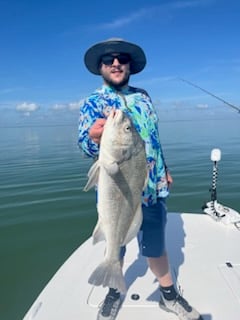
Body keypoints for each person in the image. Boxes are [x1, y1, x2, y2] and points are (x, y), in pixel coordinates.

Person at [78, 38, 202, 320]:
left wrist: (165, 168)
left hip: (153, 186)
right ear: (100, 67)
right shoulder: (92, 103)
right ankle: (113, 290)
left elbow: (153, 140)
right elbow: (85, 147)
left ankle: (168, 295)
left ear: (130, 65)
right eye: (108, 60)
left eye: (121, 58)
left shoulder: (143, 96)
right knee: (115, 239)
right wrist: (95, 137)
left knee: (156, 244)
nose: (116, 63)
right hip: (117, 186)